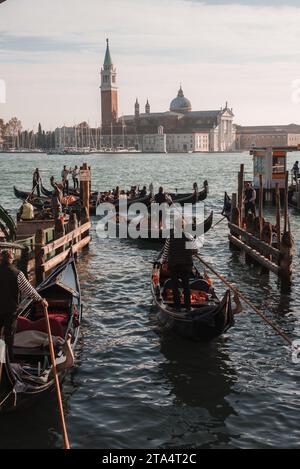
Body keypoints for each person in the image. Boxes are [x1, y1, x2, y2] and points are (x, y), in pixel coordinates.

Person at [0, 250, 48, 361]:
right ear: (11, 260)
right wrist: (41, 300)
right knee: (9, 338)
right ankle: (8, 362)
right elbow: (29, 290)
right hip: (10, 311)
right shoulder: (17, 273)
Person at [161, 224, 198, 311]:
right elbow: (195, 251)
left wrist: (162, 262)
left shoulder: (170, 237)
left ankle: (177, 307)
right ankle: (188, 307)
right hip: (186, 265)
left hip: (174, 265)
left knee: (175, 286)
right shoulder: (189, 236)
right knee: (186, 286)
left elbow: (165, 253)